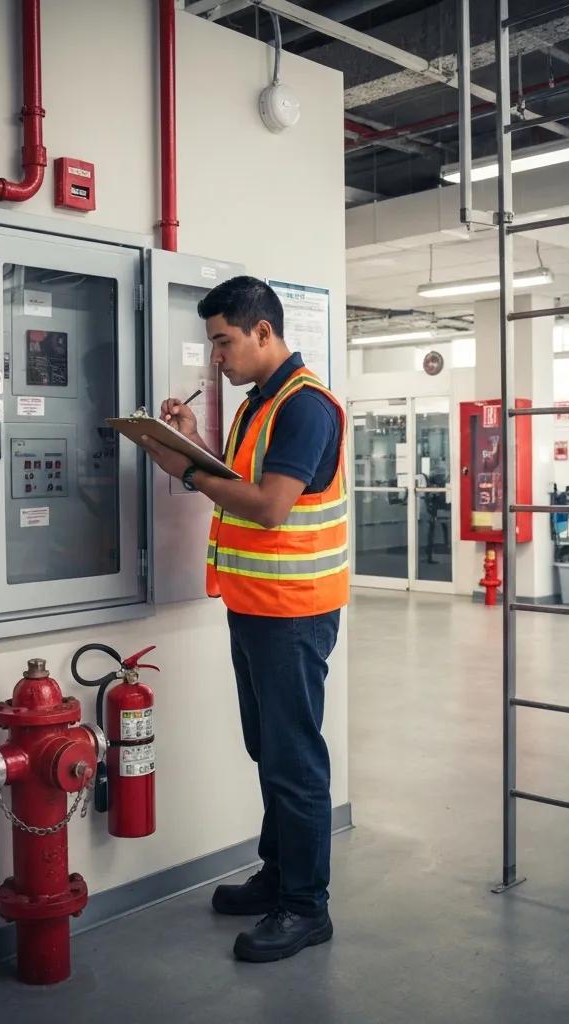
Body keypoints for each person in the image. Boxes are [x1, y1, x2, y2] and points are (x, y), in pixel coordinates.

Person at [139, 276, 348, 964]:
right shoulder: (258, 405)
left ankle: (306, 907)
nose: (216, 357)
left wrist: (191, 471)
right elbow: (240, 479)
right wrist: (188, 441)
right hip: (255, 607)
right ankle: (278, 875)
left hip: (292, 613)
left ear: (263, 332)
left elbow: (268, 506)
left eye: (224, 341)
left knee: (293, 758)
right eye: (212, 344)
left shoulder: (304, 407)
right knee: (270, 749)